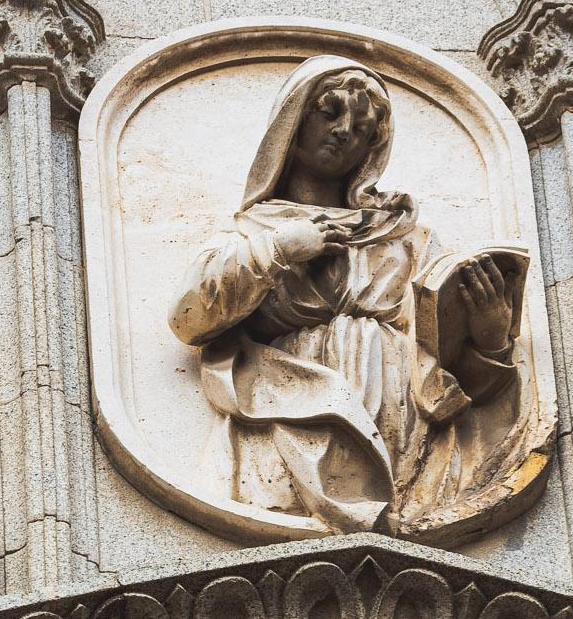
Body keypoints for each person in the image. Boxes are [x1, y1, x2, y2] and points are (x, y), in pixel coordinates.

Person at [169, 56, 529, 535]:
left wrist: (489, 341)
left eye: (361, 127)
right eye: (329, 112)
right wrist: (280, 249)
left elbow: (453, 376)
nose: (343, 131)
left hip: (404, 419)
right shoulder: (254, 230)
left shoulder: (405, 238)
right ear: (293, 120)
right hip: (289, 411)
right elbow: (189, 318)